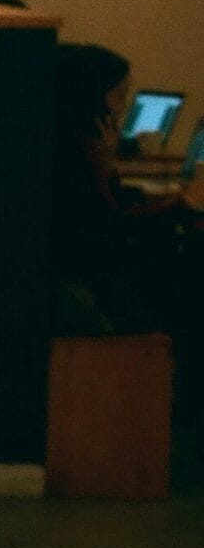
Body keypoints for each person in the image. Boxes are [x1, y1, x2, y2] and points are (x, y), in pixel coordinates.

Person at [50, 41, 202, 338]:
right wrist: (181, 203)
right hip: (99, 268)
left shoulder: (74, 137)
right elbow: (112, 222)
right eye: (120, 96)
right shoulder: (83, 148)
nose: (122, 107)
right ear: (94, 95)